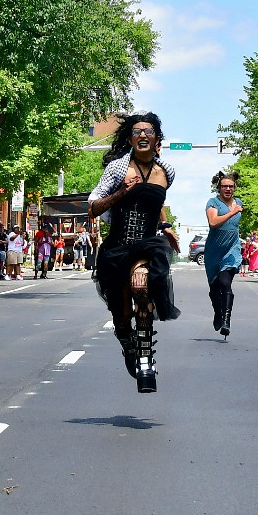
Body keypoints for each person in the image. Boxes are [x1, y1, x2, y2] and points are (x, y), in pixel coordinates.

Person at [87, 112, 180, 390]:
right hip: (117, 246)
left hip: (147, 244)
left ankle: (145, 360)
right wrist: (121, 193)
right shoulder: (117, 169)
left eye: (148, 132)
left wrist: (165, 225)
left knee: (141, 286)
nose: (142, 135)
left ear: (157, 139)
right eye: (137, 132)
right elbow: (92, 207)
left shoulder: (167, 171)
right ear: (129, 138)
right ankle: (128, 343)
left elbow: (155, 199)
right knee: (121, 315)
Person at [204, 170, 243, 336]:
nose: (228, 189)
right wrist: (232, 212)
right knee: (214, 289)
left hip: (231, 250)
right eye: (224, 186)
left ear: (235, 187)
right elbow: (213, 223)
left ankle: (226, 321)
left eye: (231, 186)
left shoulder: (238, 201)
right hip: (214, 250)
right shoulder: (213, 203)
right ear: (219, 188)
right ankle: (218, 313)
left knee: (226, 283)